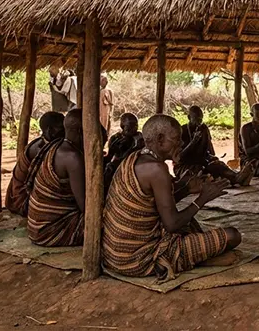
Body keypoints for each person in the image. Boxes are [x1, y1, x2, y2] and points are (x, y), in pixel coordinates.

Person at [103, 115, 241, 278]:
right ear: (160, 140)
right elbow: (172, 224)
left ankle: (194, 256)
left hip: (114, 256)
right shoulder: (156, 169)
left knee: (190, 224)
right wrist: (203, 198)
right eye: (176, 139)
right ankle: (187, 261)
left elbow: (153, 205)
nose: (181, 144)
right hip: (138, 260)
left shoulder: (135, 158)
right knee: (233, 235)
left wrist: (187, 189)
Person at [27, 109, 86, 247]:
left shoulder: (57, 145)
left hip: (36, 226)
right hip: (50, 231)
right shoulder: (72, 157)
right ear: (81, 131)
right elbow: (85, 207)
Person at [6, 111, 66, 217]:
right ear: (50, 130)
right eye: (61, 128)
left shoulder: (48, 143)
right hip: (23, 199)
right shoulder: (41, 149)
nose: (65, 131)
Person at [175, 105, 252, 186]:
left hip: (201, 161)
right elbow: (179, 158)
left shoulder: (203, 128)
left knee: (218, 165)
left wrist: (212, 159)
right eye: (196, 120)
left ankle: (237, 177)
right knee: (200, 172)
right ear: (189, 118)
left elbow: (209, 150)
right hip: (185, 165)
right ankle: (232, 180)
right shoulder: (182, 131)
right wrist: (193, 142)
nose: (199, 123)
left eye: (201, 120)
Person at [104, 113, 143, 189]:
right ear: (122, 126)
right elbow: (112, 158)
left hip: (135, 168)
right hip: (119, 167)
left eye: (136, 125)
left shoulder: (139, 138)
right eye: (130, 125)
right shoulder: (116, 139)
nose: (134, 128)